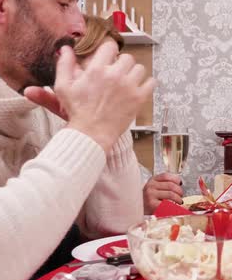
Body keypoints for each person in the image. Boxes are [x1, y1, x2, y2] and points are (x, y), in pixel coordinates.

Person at [0, 0, 154, 280]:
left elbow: (115, 236)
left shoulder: (46, 105)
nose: (79, 26)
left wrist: (112, 128)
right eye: (64, 4)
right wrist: (91, 130)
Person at [73, 15, 183, 214]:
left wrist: (144, 198)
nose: (120, 73)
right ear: (71, 65)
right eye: (109, 61)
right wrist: (139, 204)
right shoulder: (53, 133)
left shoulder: (113, 131)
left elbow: (127, 206)